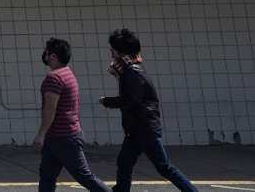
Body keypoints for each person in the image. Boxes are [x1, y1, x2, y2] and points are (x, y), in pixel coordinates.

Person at [100, 29, 198, 192]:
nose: (110, 53)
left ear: (120, 51)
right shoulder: (132, 69)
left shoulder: (131, 72)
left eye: (112, 49)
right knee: (124, 161)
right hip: (138, 128)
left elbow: (131, 100)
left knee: (164, 167)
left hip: (144, 129)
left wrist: (106, 101)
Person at [35, 37, 111, 192]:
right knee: (47, 175)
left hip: (63, 138)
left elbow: (50, 109)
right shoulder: (68, 73)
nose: (45, 56)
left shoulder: (54, 78)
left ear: (54, 57)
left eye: (47, 53)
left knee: (84, 176)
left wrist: (41, 134)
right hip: (59, 136)